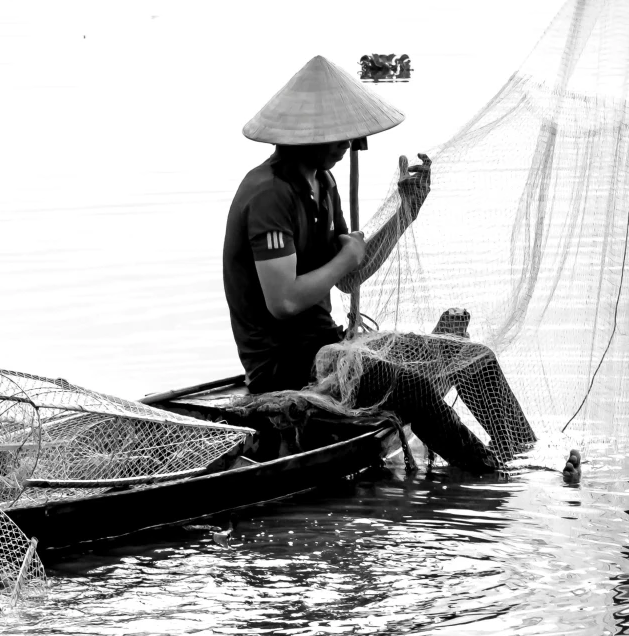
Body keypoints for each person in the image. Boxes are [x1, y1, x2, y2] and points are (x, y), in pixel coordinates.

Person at [221, 55, 530, 472]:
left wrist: (405, 214)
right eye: (340, 138)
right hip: (287, 366)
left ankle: (524, 455)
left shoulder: (322, 183)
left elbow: (351, 276)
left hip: (330, 346)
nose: (349, 146)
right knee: (412, 387)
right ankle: (489, 472)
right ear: (311, 136)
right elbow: (285, 302)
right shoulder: (269, 194)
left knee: (469, 355)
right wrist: (346, 256)